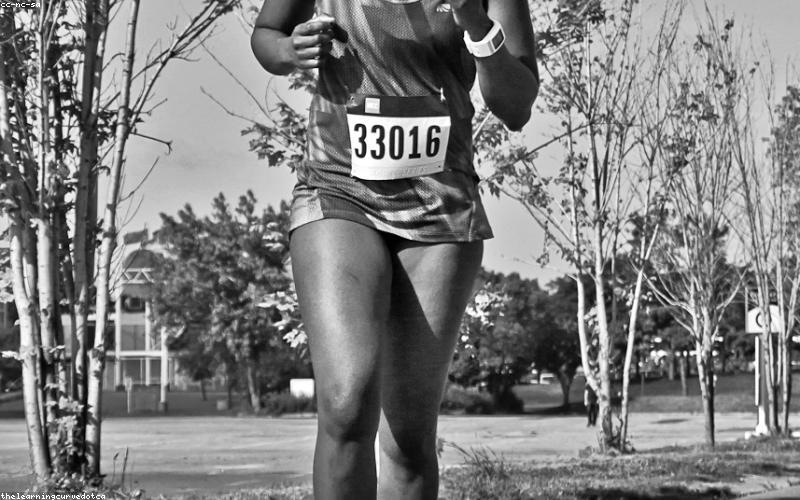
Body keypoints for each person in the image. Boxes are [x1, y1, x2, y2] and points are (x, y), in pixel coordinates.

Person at [251, 1, 538, 498]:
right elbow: (267, 33)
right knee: (346, 404)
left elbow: (516, 107)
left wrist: (475, 22)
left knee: (407, 437)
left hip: (440, 205)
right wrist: (287, 50)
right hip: (338, 187)